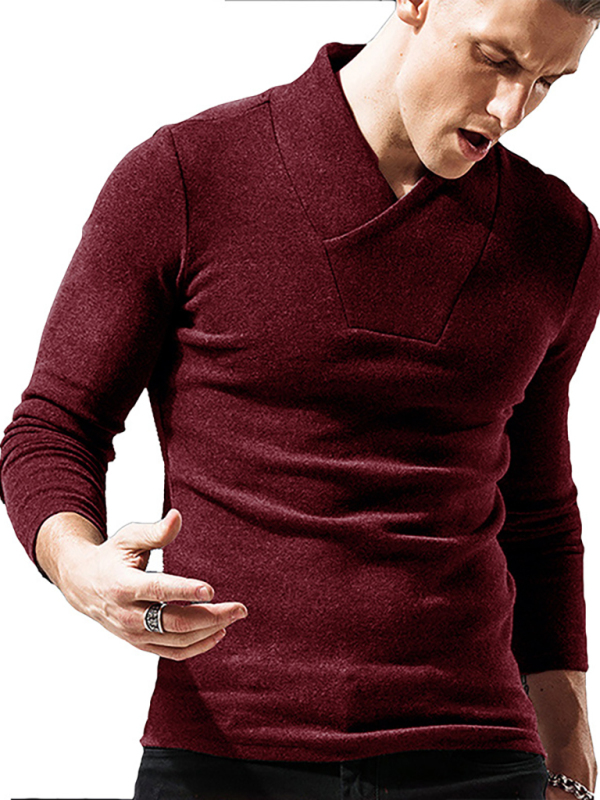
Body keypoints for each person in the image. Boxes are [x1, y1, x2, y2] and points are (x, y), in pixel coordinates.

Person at [1, 0, 599, 797]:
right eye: (497, 60)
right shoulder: (189, 175)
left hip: (478, 752)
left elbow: (539, 507)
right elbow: (55, 426)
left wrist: (568, 728)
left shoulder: (558, 237)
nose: (512, 109)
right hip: (222, 752)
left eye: (549, 81)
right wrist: (80, 569)